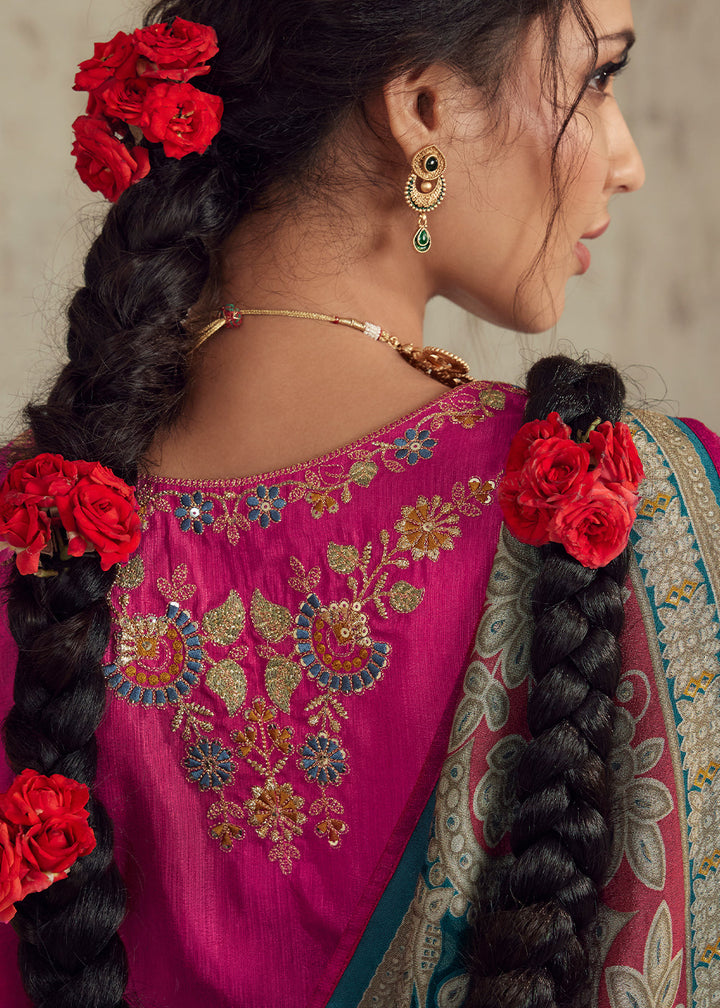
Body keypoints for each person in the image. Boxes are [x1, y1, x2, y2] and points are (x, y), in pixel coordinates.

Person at [0, 0, 718, 1006]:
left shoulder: (34, 537)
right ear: (423, 107)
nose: (628, 158)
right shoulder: (634, 506)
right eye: (598, 78)